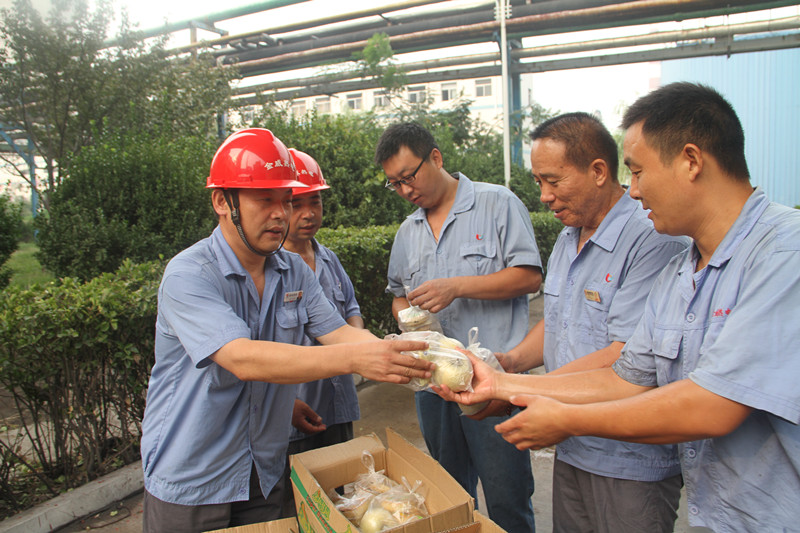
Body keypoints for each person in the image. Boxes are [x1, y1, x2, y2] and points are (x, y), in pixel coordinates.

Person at [437, 82, 800, 532]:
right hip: (721, 510)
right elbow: (625, 376)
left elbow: (714, 404)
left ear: (691, 161)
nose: (635, 191)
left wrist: (566, 416)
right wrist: (502, 381)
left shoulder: (784, 253)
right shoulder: (681, 274)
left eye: (639, 172)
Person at [140, 128, 432, 533]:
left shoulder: (292, 270)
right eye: (265, 200)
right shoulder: (189, 275)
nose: (281, 213)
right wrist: (357, 358)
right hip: (194, 478)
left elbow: (339, 332)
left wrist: (407, 354)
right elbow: (242, 358)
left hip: (264, 472)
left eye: (286, 200)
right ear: (222, 202)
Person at [485, 112, 688, 533]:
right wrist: (510, 363)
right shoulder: (568, 235)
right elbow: (559, 320)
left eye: (553, 181)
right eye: (538, 182)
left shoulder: (652, 238)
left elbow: (625, 355)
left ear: (598, 171)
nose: (544, 196)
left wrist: (516, 389)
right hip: (571, 443)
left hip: (627, 459)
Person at [377, 121, 542, 533]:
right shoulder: (408, 232)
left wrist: (457, 287)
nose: (405, 190)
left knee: (507, 499)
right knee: (449, 498)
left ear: (435, 158)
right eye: (395, 184)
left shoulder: (497, 203)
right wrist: (407, 319)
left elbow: (528, 277)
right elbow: (398, 294)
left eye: (409, 177)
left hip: (492, 380)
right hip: (433, 388)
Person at [276, 148, 364, 517]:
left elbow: (352, 312)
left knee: (340, 502)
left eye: (315, 201)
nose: (309, 213)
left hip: (338, 406)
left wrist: (360, 351)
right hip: (297, 412)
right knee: (301, 507)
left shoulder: (329, 259)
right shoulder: (271, 270)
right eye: (297, 203)